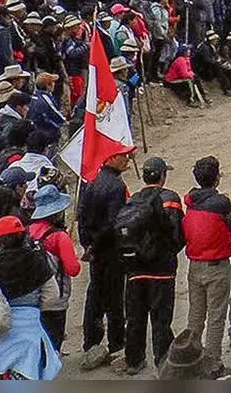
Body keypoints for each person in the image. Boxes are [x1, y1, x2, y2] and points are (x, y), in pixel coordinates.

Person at [121, 156, 185, 376]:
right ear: (163, 176)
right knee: (161, 319)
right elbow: (178, 236)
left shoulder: (133, 200)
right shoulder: (170, 199)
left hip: (135, 269)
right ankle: (163, 360)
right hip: (162, 271)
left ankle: (134, 360)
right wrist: (167, 253)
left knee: (135, 317)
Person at [77, 146, 135, 370]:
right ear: (111, 157)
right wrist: (96, 245)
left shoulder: (91, 182)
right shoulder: (116, 186)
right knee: (114, 298)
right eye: (123, 156)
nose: (127, 159)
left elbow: (82, 216)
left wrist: (88, 244)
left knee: (95, 295)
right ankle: (116, 343)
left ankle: (90, 341)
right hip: (110, 250)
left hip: (95, 250)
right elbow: (114, 223)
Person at [0, 215, 60, 380]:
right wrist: (36, 309)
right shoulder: (37, 259)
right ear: (23, 236)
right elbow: (52, 296)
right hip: (30, 330)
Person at [182, 155, 231, 378]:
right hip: (217, 265)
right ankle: (212, 364)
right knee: (216, 316)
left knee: (195, 315)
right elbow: (228, 224)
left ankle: (189, 359)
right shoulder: (221, 203)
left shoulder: (191, 202)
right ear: (216, 178)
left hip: (195, 264)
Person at [27, 184, 80, 353]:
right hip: (56, 298)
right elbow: (73, 269)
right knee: (53, 342)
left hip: (32, 297)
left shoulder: (28, 232)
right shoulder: (59, 237)